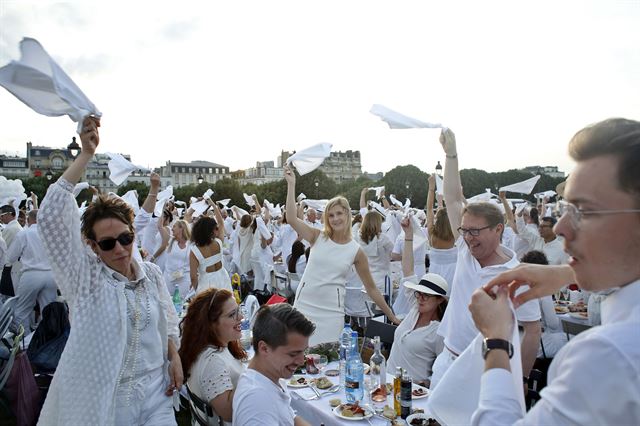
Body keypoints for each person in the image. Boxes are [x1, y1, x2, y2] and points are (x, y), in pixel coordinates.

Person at [469, 118, 640, 425]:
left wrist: (496, 340)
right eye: (564, 209)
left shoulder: (610, 355)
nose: (560, 227)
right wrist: (566, 274)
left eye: (584, 211)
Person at [37, 117, 182, 425]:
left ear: (134, 233)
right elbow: (49, 218)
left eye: (126, 238)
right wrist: (85, 155)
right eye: (107, 243)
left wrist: (174, 356)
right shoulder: (84, 278)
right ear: (91, 245)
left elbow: (168, 322)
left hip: (158, 395)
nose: (119, 249)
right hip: (108, 402)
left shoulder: (152, 275)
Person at [430, 128, 541, 390]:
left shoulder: (517, 274)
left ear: (498, 229)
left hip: (487, 373)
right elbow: (454, 198)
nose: (468, 238)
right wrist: (451, 155)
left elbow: (533, 330)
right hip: (447, 361)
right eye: (465, 231)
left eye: (475, 232)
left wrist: (521, 380)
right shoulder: (464, 251)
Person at [284, 165, 399, 346]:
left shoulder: (356, 251)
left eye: (339, 213)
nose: (335, 218)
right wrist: (291, 185)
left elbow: (371, 288)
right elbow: (291, 218)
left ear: (347, 214)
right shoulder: (317, 236)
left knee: (328, 362)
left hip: (332, 313)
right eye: (330, 215)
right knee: (296, 358)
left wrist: (391, 315)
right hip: (304, 305)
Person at [387, 217, 447, 387]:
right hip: (386, 385)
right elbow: (408, 269)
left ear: (439, 299)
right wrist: (408, 235)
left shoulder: (439, 332)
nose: (420, 298)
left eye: (426, 295)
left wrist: (428, 383)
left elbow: (446, 369)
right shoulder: (414, 310)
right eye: (419, 293)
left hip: (412, 393)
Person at [232, 303, 314, 426]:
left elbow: (291, 418)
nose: (301, 361)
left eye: (304, 351)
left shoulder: (271, 378)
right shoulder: (256, 401)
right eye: (293, 354)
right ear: (264, 348)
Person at [180, 288, 246, 425]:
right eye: (232, 314)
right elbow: (229, 413)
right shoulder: (213, 362)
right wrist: (258, 371)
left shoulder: (200, 348)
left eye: (238, 310)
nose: (241, 317)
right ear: (210, 324)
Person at [5, 209, 57, 331]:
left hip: (31, 274)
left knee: (22, 310)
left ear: (29, 220)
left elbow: (11, 257)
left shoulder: (24, 234)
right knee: (48, 311)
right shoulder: (51, 235)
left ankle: (24, 343)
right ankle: (49, 342)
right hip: (51, 275)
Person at [426, 173, 457, 287]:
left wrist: (431, 188)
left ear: (437, 220)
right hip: (453, 274)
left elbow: (429, 209)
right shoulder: (455, 234)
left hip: (434, 274)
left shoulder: (432, 234)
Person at [190, 213, 232, 294]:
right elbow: (221, 223)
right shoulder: (219, 242)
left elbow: (193, 277)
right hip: (223, 278)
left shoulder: (194, 250)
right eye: (215, 228)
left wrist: (197, 290)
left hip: (206, 284)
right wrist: (212, 204)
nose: (217, 230)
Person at [355, 211, 393, 294]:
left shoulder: (359, 236)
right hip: (383, 279)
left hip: (367, 279)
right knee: (384, 306)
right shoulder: (383, 238)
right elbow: (394, 253)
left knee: (367, 306)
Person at [162, 219, 192, 299]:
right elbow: (159, 226)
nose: (172, 229)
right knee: (167, 301)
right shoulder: (170, 240)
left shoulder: (192, 244)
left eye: (174, 226)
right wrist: (162, 207)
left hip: (184, 279)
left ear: (181, 228)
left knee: (181, 303)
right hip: (168, 277)